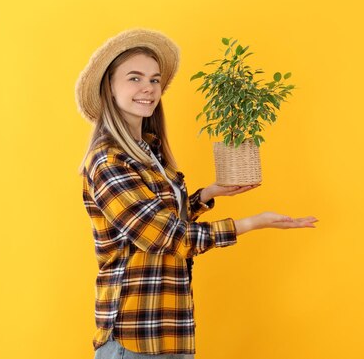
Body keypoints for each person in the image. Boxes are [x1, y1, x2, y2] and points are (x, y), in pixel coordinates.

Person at [75, 28, 319, 359]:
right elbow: (165, 236)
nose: (148, 88)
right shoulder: (108, 160)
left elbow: (158, 217)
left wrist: (205, 196)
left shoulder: (149, 152)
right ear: (110, 88)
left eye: (154, 79)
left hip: (171, 328)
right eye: (134, 78)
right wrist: (251, 223)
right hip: (134, 336)